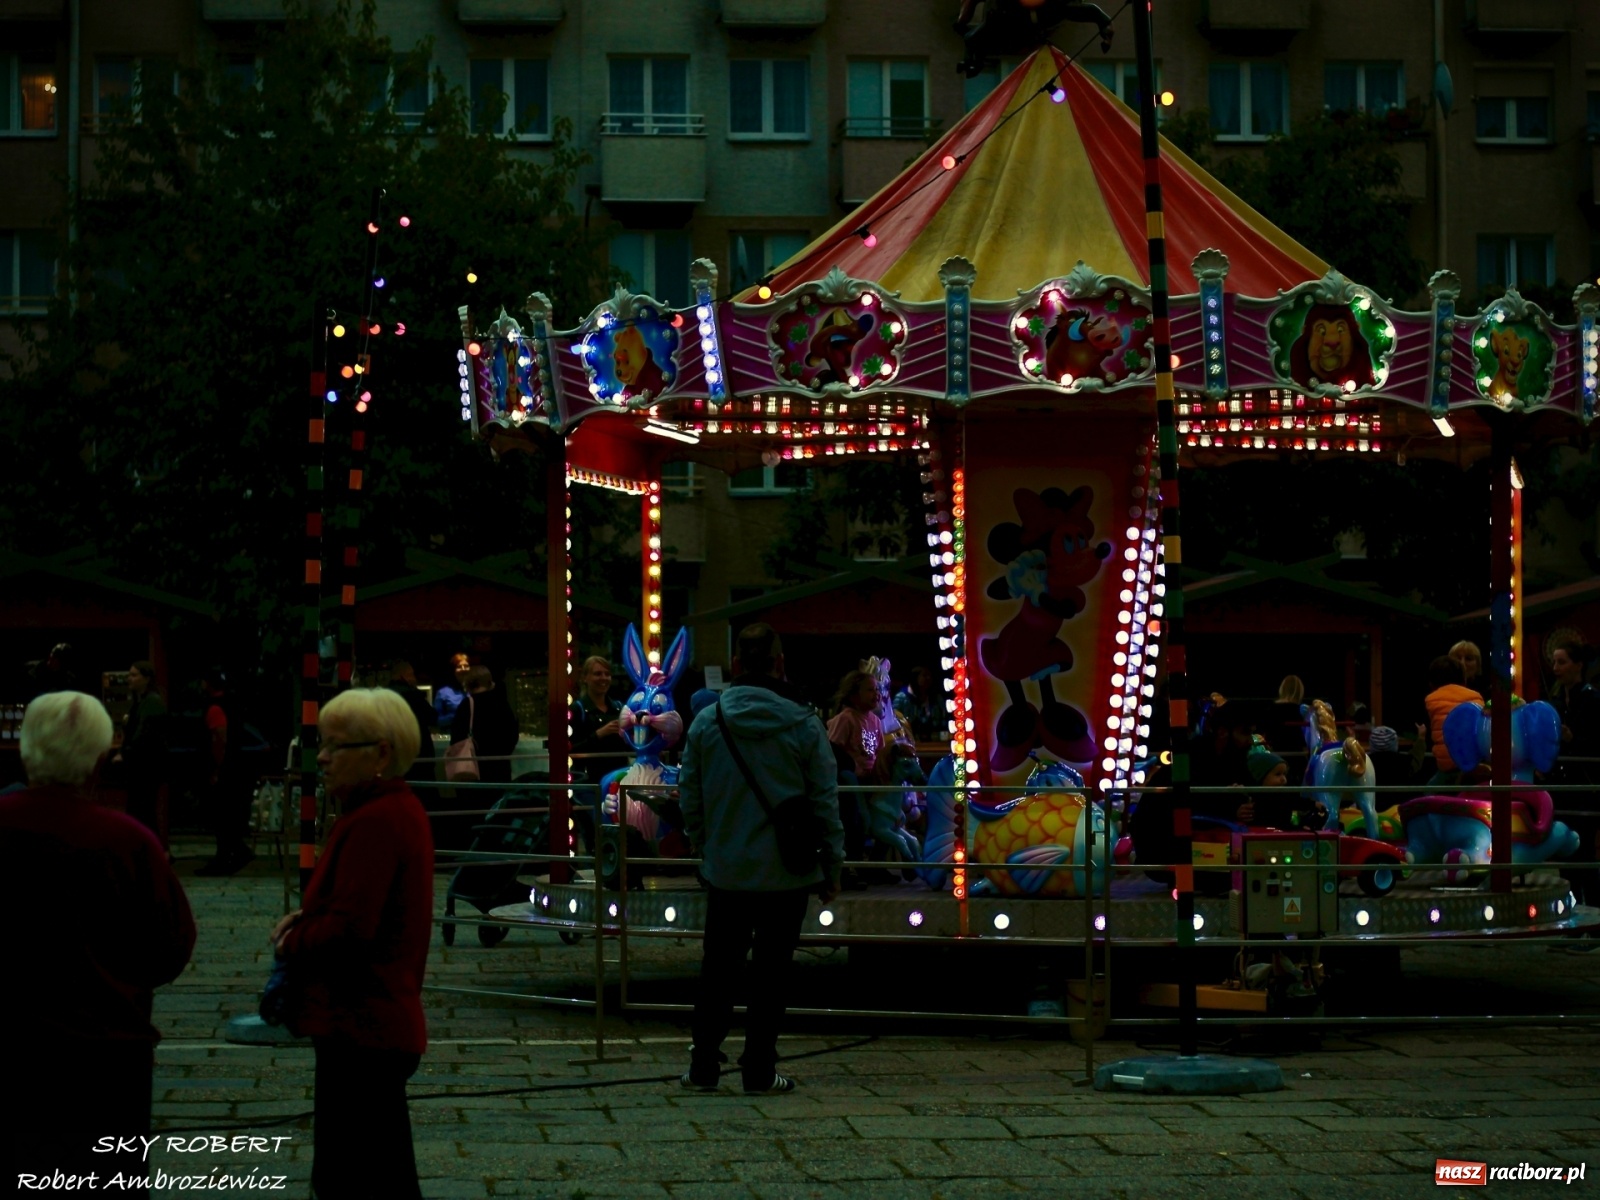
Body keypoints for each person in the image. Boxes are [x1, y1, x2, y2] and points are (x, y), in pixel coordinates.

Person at [0, 691, 194, 1198]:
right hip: (106, 1058)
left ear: (25, 751)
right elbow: (171, 946)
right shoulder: (128, 842)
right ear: (100, 759)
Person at [270, 688, 433, 1200]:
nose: (322, 757)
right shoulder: (389, 810)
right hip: (374, 1024)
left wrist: (292, 940)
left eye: (335, 746)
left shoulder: (375, 821)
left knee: (355, 1179)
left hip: (362, 1024)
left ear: (380, 753)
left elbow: (351, 929)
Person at [677, 623, 845, 1095]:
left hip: (727, 870)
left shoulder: (708, 722)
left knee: (717, 970)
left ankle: (704, 1066)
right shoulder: (805, 724)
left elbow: (690, 795)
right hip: (786, 873)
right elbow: (824, 802)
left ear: (735, 665)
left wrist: (703, 844)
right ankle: (759, 1070)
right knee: (772, 974)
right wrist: (832, 866)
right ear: (780, 664)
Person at [446, 666, 520, 849]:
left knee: (473, 816)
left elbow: (456, 740)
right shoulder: (501, 704)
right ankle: (494, 850)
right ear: (490, 683)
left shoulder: (467, 705)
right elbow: (512, 735)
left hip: (472, 772)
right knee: (496, 815)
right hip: (498, 770)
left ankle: (474, 851)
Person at [197, 668, 254, 876]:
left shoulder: (215, 707)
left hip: (224, 769)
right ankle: (234, 852)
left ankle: (226, 857)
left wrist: (216, 769)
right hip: (236, 766)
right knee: (229, 815)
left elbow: (219, 739)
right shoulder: (233, 704)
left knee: (221, 817)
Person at [119, 659, 168, 848]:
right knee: (141, 811)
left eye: (134, 675)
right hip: (142, 766)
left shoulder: (151, 702)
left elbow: (143, 735)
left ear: (146, 678)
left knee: (142, 810)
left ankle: (153, 850)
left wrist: (125, 753)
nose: (129, 679)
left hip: (146, 767)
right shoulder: (142, 701)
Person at [1424, 654, 1483, 782]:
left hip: (1447, 765)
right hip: (1476, 763)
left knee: (1429, 789)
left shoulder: (1431, 700)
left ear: (1432, 682)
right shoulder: (1476, 697)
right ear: (1463, 678)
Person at [386, 659, 437, 784]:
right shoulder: (413, 695)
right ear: (403, 676)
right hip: (418, 755)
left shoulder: (383, 696)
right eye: (411, 675)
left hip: (393, 755)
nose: (414, 678)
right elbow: (432, 717)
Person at [571, 654, 625, 767]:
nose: (604, 678)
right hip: (589, 776)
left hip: (619, 774)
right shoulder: (577, 709)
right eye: (598, 674)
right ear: (585, 678)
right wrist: (599, 734)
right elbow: (570, 749)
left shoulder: (619, 708)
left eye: (607, 674)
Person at [892, 666, 940, 742]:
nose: (928, 678)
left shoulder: (935, 698)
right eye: (924, 675)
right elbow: (894, 721)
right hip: (906, 740)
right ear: (915, 678)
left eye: (929, 675)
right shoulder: (901, 698)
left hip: (933, 740)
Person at [434, 653, 471, 730]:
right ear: (453, 670)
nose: (463, 669)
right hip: (453, 733)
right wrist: (456, 716)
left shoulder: (476, 689)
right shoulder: (443, 692)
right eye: (459, 667)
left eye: (466, 666)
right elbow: (436, 720)